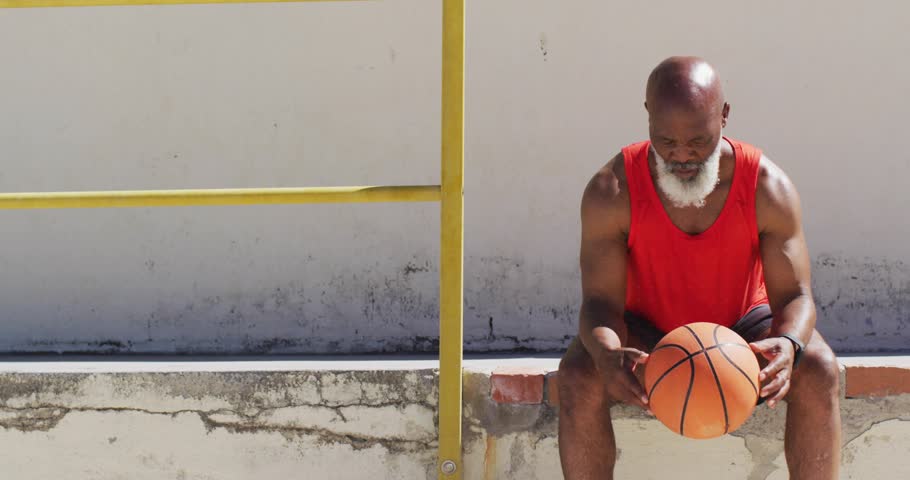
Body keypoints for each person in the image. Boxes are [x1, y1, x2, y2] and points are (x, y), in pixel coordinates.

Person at [557, 56, 841, 479]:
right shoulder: (611, 190)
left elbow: (796, 297)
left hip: (743, 328)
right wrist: (606, 352)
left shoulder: (766, 186)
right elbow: (599, 304)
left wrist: (791, 346)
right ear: (648, 115)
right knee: (579, 374)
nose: (682, 156)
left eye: (698, 141)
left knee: (818, 366)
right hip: (646, 330)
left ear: (724, 116)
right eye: (666, 141)